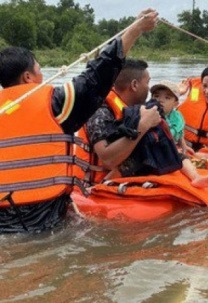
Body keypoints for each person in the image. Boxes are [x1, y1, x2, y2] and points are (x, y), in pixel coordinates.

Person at [0, 8, 159, 233]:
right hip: (45, 221)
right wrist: (134, 30)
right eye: (39, 71)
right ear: (27, 77)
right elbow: (97, 76)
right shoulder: (54, 104)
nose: (43, 76)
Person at [83, 61, 208, 189]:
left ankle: (193, 175)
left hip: (134, 165)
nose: (148, 89)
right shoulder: (100, 111)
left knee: (174, 153)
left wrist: (178, 92)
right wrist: (143, 125)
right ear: (134, 85)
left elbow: (162, 106)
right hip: (101, 179)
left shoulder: (133, 106)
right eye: (147, 83)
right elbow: (108, 160)